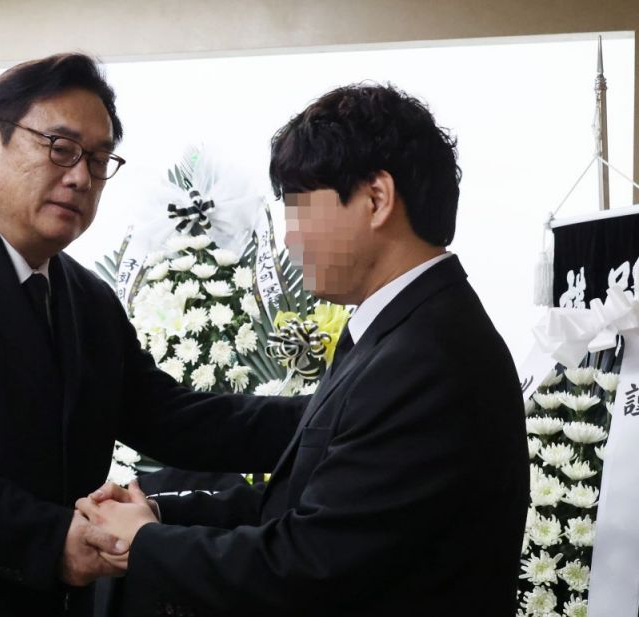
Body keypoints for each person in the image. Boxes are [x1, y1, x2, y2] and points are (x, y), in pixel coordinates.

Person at [0, 52, 302, 616]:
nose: (80, 177)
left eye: (98, 160)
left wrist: (339, 414)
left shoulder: (86, 299)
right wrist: (45, 539)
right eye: (60, 148)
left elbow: (173, 419)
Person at [80, 83, 530, 616]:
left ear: (376, 199)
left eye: (299, 209)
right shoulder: (404, 328)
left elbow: (310, 565)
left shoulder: (429, 358)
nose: (290, 239)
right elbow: (301, 502)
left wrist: (144, 543)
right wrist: (159, 514)